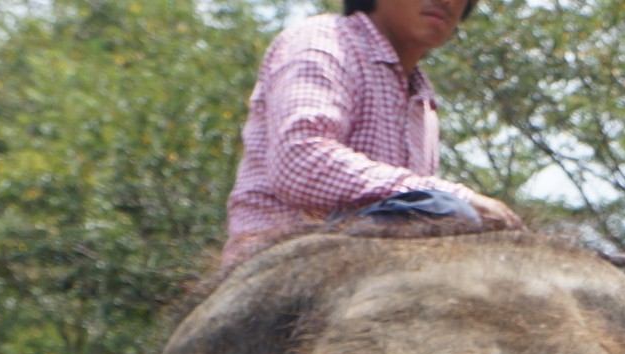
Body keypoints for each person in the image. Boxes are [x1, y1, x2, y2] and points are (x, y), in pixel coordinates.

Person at [223, 0, 523, 266]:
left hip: (368, 261)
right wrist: (454, 195)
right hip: (279, 260)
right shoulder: (325, 40)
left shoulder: (423, 101)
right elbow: (298, 163)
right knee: (444, 210)